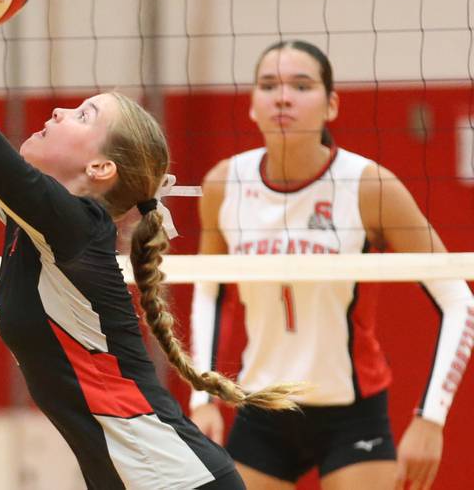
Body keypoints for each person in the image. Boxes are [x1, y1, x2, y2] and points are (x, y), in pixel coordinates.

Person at [0, 0, 304, 490]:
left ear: (99, 166)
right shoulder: (40, 224)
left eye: (83, 113)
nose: (61, 110)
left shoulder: (74, 226)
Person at [189, 39, 474, 490]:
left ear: (331, 104)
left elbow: (460, 301)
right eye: (269, 85)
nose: (283, 97)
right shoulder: (226, 184)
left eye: (301, 86)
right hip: (262, 409)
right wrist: (201, 396)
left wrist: (431, 419)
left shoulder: (369, 187)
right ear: (252, 105)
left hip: (351, 413)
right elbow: (208, 290)